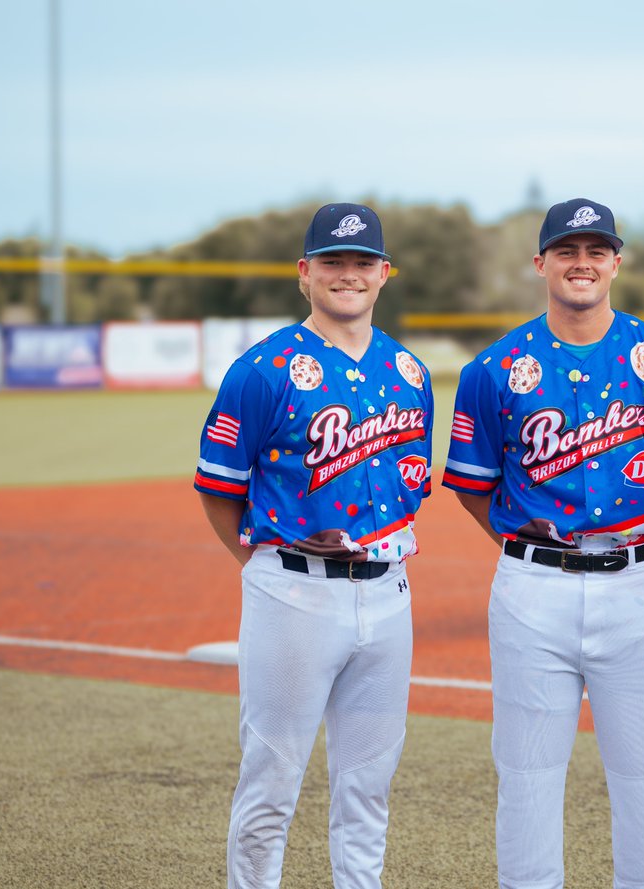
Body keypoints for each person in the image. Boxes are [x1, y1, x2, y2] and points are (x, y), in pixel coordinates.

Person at [442, 198, 644, 889]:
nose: (582, 262)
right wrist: (526, 547)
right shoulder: (495, 367)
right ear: (540, 262)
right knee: (527, 775)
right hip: (531, 588)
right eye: (567, 250)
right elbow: (472, 485)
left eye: (596, 250)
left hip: (641, 585)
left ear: (616, 262)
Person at [194, 202, 433, 889]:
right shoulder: (262, 369)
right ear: (305, 272)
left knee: (368, 789)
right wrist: (264, 564)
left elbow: (411, 481)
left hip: (388, 594)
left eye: (363, 263)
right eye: (333, 261)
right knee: (271, 783)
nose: (348, 275)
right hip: (293, 590)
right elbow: (219, 490)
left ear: (385, 273)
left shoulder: (411, 374)